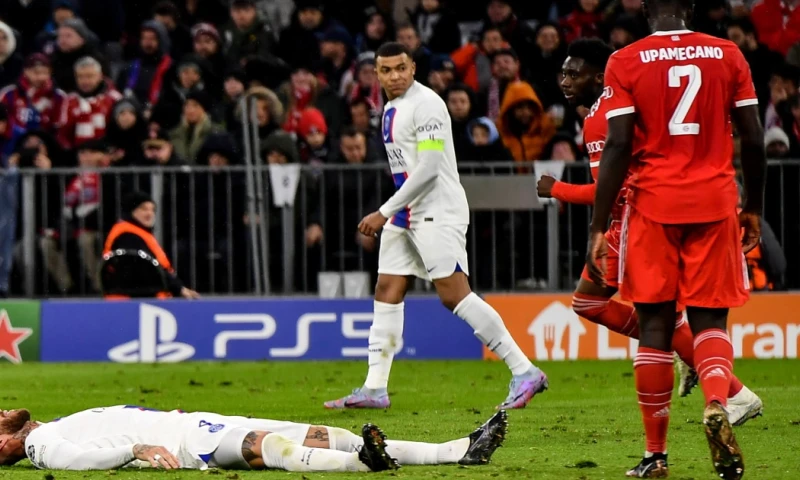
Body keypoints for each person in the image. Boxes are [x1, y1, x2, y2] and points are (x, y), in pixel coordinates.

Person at [538, 36, 763, 425]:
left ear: (600, 77)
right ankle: (722, 383)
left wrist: (557, 189)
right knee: (622, 309)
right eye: (563, 73)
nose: (565, 82)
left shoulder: (601, 117)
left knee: (601, 306)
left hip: (636, 224)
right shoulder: (611, 108)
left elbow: (608, 189)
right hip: (661, 214)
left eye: (574, 74)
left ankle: (728, 393)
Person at [585, 1, 766, 478]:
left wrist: (599, 225)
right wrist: (753, 207)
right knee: (710, 321)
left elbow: (618, 144)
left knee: (656, 328)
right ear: (690, 6)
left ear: (646, 9)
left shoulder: (625, 60)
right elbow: (753, 136)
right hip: (714, 203)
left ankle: (655, 455)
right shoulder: (727, 54)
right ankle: (716, 402)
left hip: (653, 207)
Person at [324, 42, 548, 411]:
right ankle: (374, 388)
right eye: (386, 70)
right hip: (407, 212)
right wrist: (394, 211)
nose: (394, 76)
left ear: (413, 68)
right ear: (376, 74)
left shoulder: (427, 104)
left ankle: (524, 370)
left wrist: (383, 211)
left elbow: (428, 168)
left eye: (401, 68)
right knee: (387, 288)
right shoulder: (390, 108)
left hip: (436, 209)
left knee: (454, 294)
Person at [0, 405, 508, 471]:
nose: (3, 411)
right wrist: (135, 449)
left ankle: (459, 451)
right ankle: (364, 465)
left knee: (328, 434)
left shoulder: (47, 425)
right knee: (261, 447)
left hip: (196, 421)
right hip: (184, 441)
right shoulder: (39, 445)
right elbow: (75, 462)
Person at [102, 191, 200, 300]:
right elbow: (146, 269)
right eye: (144, 209)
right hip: (135, 300)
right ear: (131, 211)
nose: (150, 213)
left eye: (152, 210)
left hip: (137, 299)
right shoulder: (128, 236)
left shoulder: (136, 232)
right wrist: (178, 288)